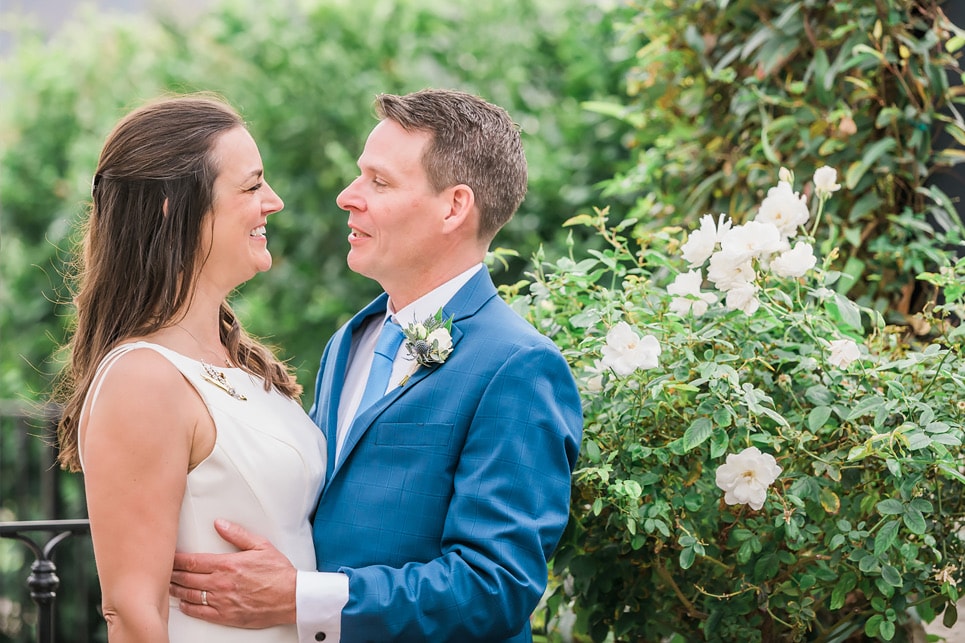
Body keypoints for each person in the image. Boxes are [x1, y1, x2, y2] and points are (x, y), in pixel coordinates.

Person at [169, 88, 583, 642]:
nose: (347, 196)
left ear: (454, 207)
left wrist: (300, 597)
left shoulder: (518, 367)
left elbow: (496, 586)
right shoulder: (351, 339)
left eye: (379, 182)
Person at [54, 94, 327, 643]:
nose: (272, 202)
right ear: (171, 207)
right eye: (250, 186)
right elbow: (133, 613)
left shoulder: (240, 364)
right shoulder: (143, 379)